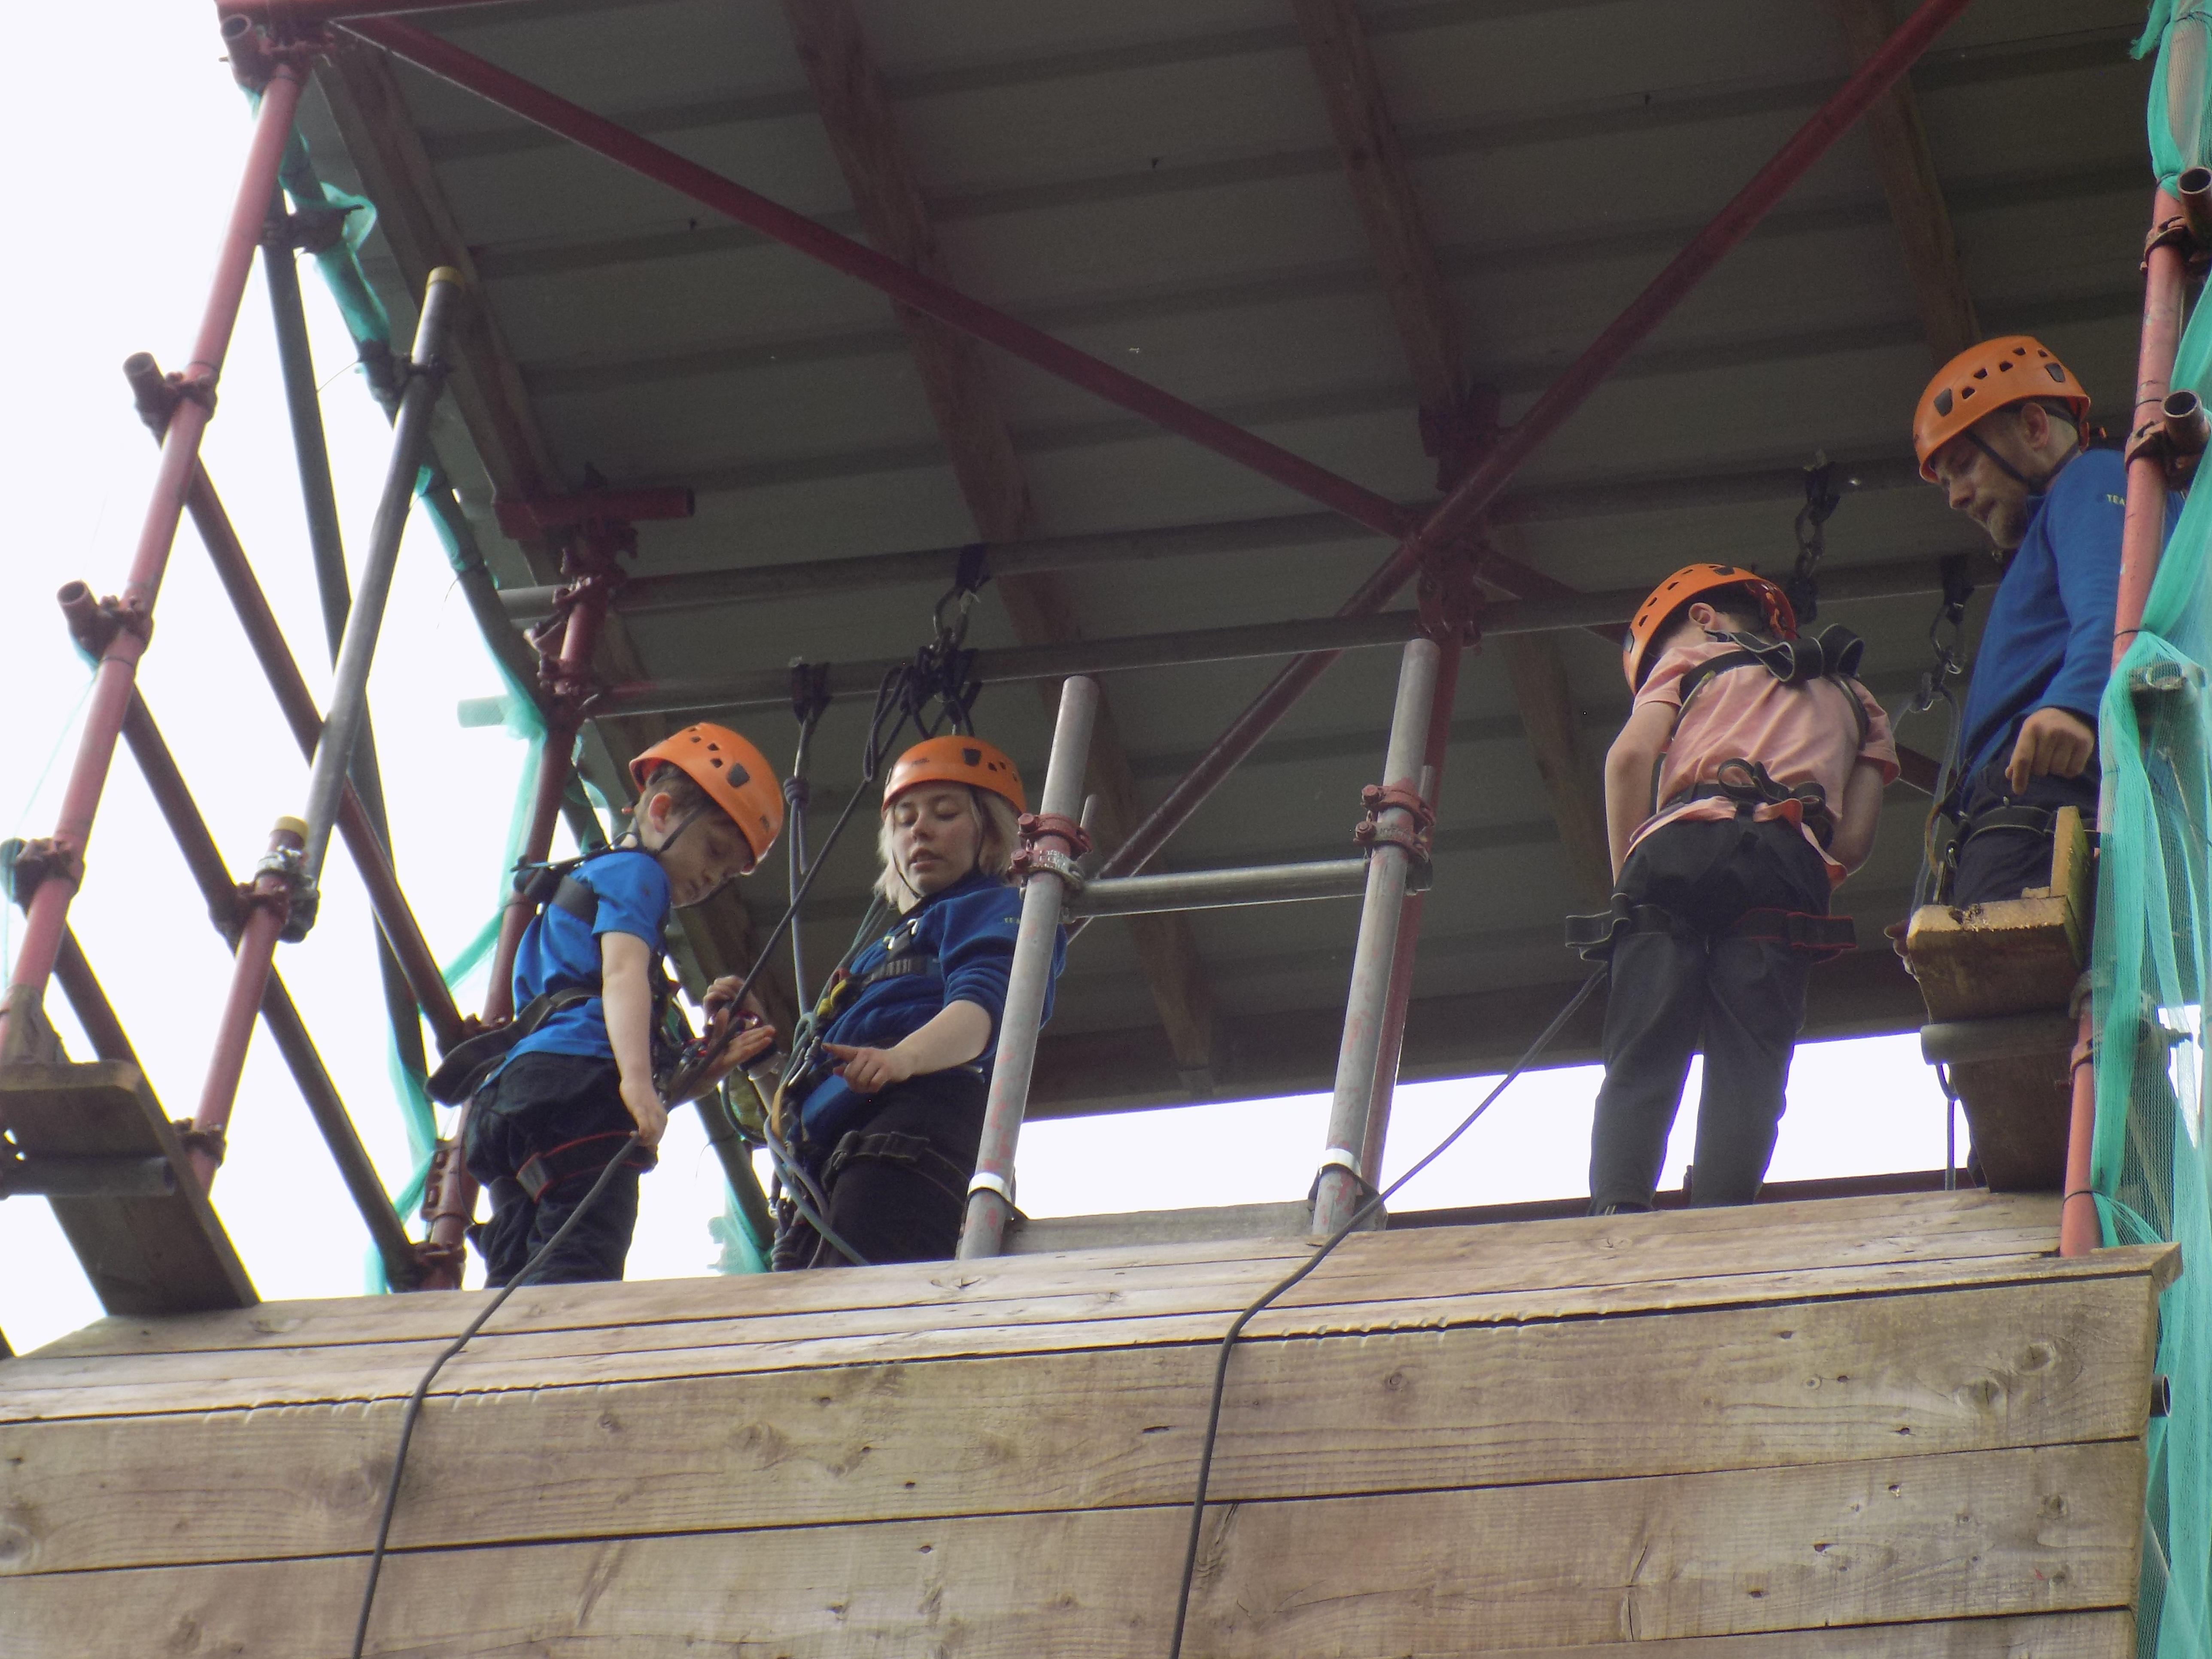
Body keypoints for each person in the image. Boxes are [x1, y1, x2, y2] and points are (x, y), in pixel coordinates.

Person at [1585, 565, 1897, 1214]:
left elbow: (1628, 759)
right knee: (1752, 1061)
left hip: (1678, 846)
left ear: (1703, 619)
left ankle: (1619, 1207)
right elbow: (1852, 844)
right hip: (1785, 865)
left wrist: (1627, 886)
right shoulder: (1858, 700)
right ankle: (1721, 1212)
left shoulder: (1691, 662)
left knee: (1644, 1043)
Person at [464, 722, 784, 1286]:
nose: (711, 877)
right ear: (660, 812)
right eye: (713, 850)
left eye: (727, 874)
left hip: (514, 1102)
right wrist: (636, 1084)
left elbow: (594, 1019)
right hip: (576, 1092)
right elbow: (622, 973)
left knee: (518, 1271)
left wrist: (705, 1070)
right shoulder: (639, 875)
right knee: (581, 1261)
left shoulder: (588, 887)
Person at [759, 735, 1065, 1268]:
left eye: (945, 814)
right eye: (903, 821)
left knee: (860, 1301)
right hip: (823, 1174)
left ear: (991, 831)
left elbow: (986, 1014)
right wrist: (762, 1062)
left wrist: (903, 1059)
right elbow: (799, 1109)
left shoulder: (988, 907)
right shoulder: (874, 953)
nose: (919, 829)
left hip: (910, 1136)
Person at [1913, 335, 2173, 904]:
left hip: (2045, 790)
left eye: (1963, 466)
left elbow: (2116, 600)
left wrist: (2076, 702)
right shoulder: (2060, 523)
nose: (1956, 498)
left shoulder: (2092, 479)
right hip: (2025, 801)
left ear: (2034, 427)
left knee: (2014, 964)